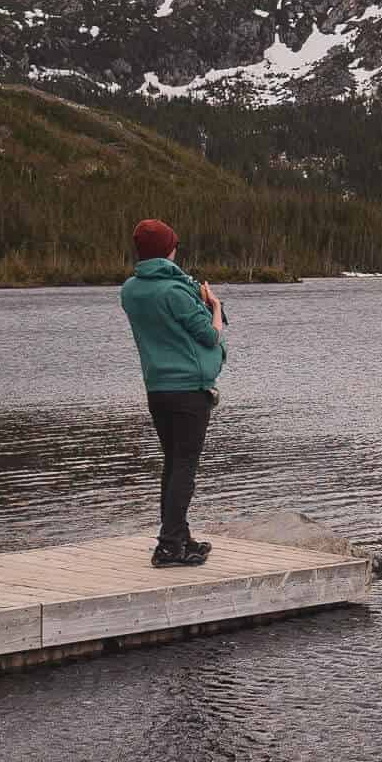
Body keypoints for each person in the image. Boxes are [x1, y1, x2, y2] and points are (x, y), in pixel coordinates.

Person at [119, 218, 228, 567]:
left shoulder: (130, 290)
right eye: (174, 245)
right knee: (185, 467)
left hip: (158, 389)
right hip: (188, 391)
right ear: (168, 249)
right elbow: (210, 336)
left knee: (173, 464)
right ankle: (168, 546)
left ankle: (179, 537)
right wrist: (214, 306)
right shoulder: (175, 291)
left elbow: (164, 322)